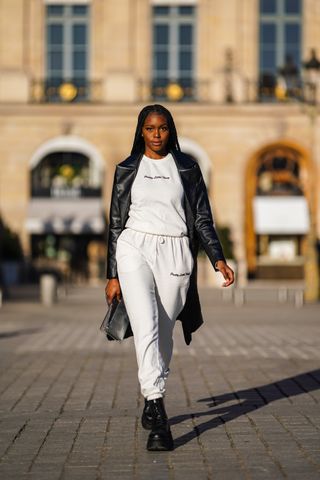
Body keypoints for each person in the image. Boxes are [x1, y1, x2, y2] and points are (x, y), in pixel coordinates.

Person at [105, 104, 234, 451]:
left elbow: (202, 217)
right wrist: (113, 274)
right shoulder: (128, 168)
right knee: (145, 324)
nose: (157, 135)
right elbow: (117, 223)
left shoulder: (188, 167)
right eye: (150, 129)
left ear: (170, 130)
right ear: (141, 131)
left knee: (163, 328)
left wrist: (218, 258)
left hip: (177, 251)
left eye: (162, 128)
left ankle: (153, 392)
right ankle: (156, 404)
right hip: (135, 247)